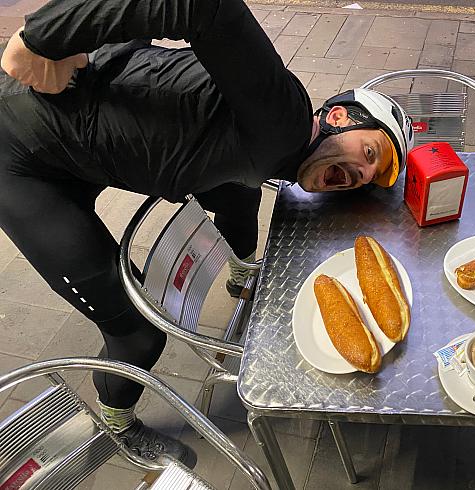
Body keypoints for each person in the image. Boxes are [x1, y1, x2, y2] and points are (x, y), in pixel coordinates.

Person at [0, 0, 414, 465]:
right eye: (370, 153)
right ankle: (117, 421)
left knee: (235, 188)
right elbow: (203, 6)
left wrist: (242, 268)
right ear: (340, 116)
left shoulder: (270, 151)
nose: (360, 173)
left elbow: (237, 190)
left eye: (368, 178)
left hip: (76, 147)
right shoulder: (282, 120)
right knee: (137, 334)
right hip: (20, 163)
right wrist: (42, 38)